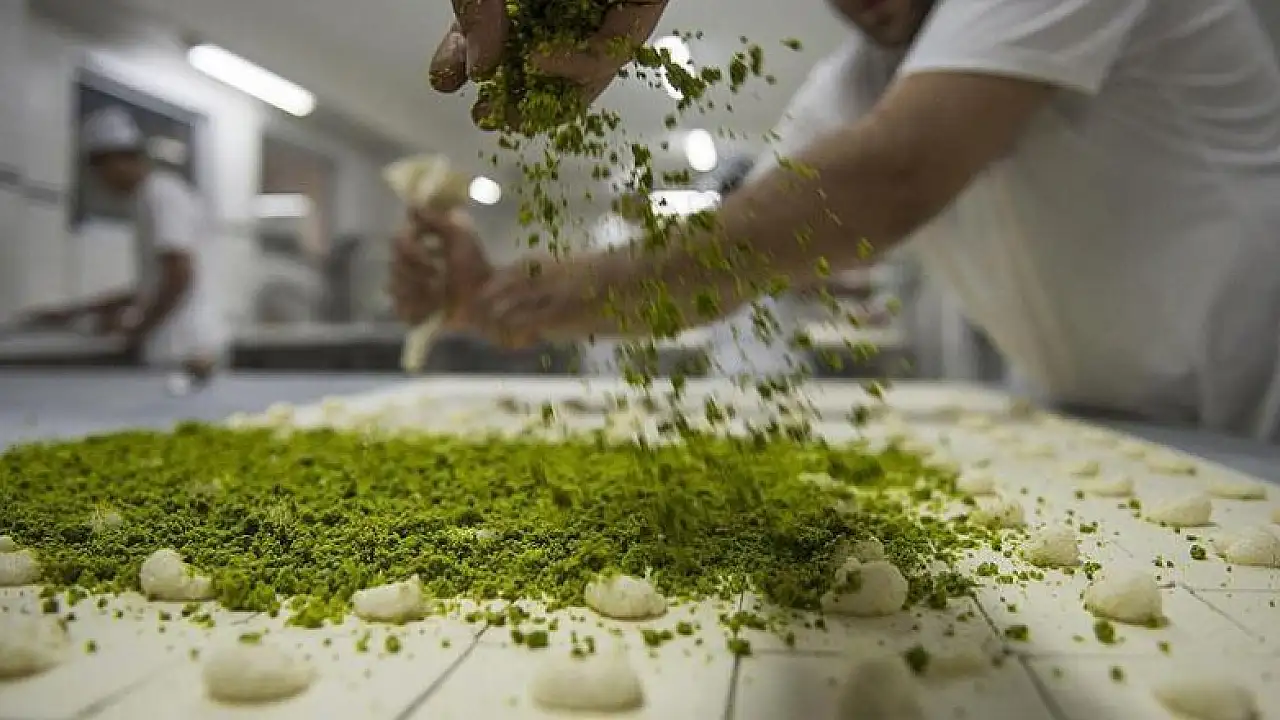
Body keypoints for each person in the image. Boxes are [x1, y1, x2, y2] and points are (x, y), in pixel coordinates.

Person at [399, 0, 1280, 442]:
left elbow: (888, 178)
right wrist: (499, 295)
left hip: (1258, 409)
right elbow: (733, 253)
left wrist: (542, 295)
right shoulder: (859, 81)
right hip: (1100, 412)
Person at [30, 107, 227, 389]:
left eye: (99, 170)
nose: (101, 181)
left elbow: (179, 274)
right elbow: (153, 284)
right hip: (181, 347)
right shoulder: (150, 196)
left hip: (183, 349)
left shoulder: (160, 195)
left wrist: (138, 330)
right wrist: (77, 311)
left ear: (115, 160)